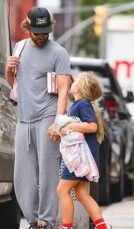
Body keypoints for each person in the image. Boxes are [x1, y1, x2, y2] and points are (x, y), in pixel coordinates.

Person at [5, 7, 71, 229]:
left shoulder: (58, 53)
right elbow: (13, 84)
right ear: (27, 28)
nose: (42, 36)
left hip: (47, 116)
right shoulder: (20, 47)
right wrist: (8, 69)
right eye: (37, 32)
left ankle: (47, 220)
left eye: (45, 32)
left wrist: (58, 121)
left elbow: (63, 89)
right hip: (24, 117)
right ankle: (33, 220)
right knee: (22, 176)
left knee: (48, 171)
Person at [56, 72, 110, 229]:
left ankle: (66, 226)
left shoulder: (82, 104)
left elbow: (91, 126)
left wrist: (69, 126)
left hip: (78, 158)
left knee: (62, 190)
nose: (72, 83)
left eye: (75, 81)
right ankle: (101, 226)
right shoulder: (79, 105)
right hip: (84, 157)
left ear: (78, 87)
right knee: (81, 194)